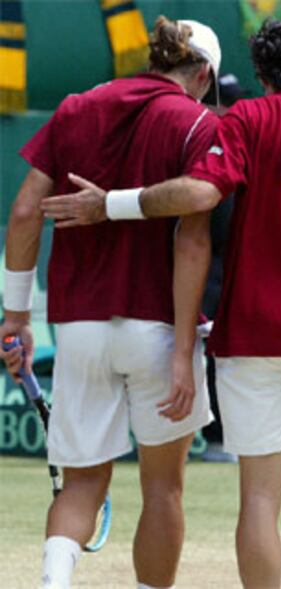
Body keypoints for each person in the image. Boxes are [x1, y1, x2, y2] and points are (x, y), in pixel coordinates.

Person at [41, 18, 281, 588]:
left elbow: (199, 198)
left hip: (251, 338)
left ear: (261, 71)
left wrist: (107, 204)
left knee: (259, 496)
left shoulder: (240, 121)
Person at [0, 16, 222, 589]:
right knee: (164, 487)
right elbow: (194, 240)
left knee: (80, 484)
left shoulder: (77, 106)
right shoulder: (196, 120)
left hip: (78, 328)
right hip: (158, 330)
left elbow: (25, 213)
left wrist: (18, 315)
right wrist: (180, 349)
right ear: (201, 75)